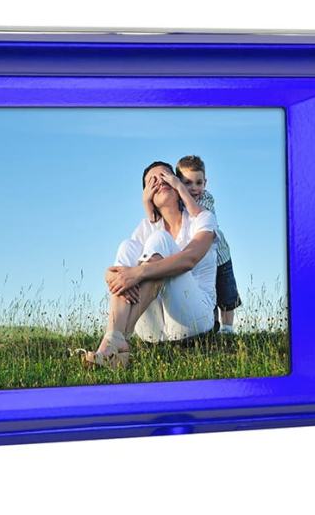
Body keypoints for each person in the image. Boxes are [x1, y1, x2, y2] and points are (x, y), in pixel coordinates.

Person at [82, 161, 217, 368]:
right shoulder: (145, 227)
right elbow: (122, 270)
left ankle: (118, 338)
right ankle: (114, 339)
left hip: (194, 319)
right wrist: (110, 275)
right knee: (127, 246)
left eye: (164, 177)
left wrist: (138, 273)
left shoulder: (202, 217)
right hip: (153, 331)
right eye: (152, 181)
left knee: (159, 240)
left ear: (177, 183)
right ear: (147, 194)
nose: (159, 183)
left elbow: (190, 258)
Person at [174, 155, 241, 333]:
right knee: (207, 292)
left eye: (199, 182)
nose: (194, 188)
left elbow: (198, 213)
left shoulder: (206, 198)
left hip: (220, 257)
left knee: (226, 292)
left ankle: (227, 328)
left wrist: (181, 189)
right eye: (187, 183)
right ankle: (213, 326)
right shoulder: (176, 202)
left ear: (205, 182)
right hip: (201, 261)